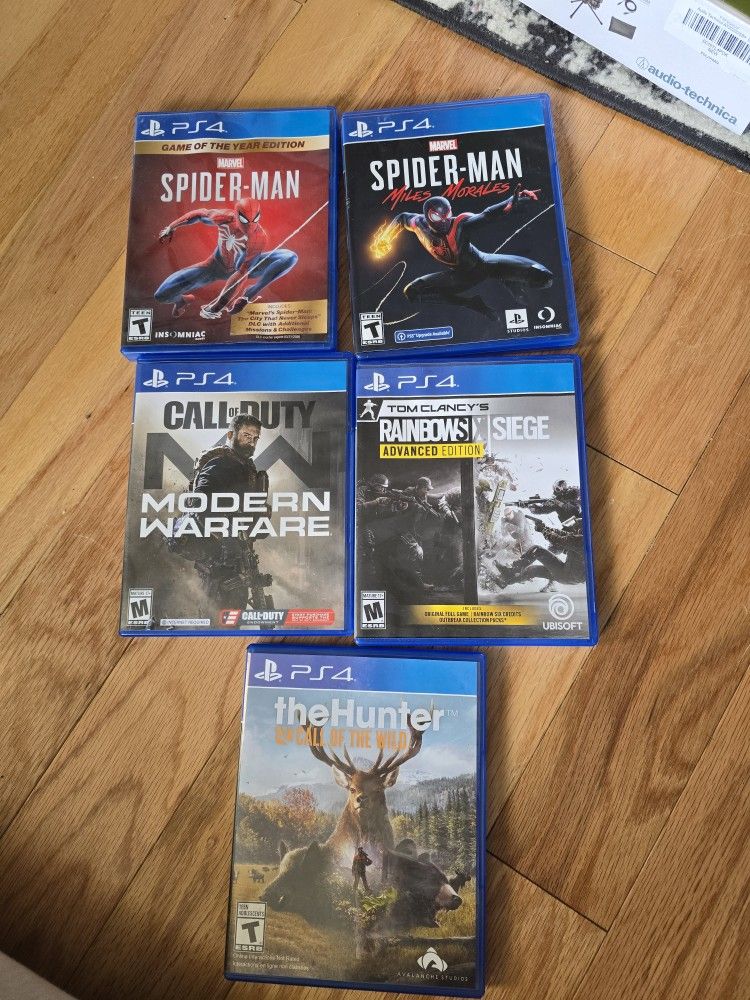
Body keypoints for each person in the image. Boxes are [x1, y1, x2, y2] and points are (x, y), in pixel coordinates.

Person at [370, 183, 552, 320]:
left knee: (543, 277)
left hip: (484, 264)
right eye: (436, 216)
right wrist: (386, 237)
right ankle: (471, 303)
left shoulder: (460, 224)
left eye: (446, 214)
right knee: (412, 292)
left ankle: (506, 278)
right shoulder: (418, 224)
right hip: (461, 276)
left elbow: (486, 214)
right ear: (427, 217)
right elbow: (401, 218)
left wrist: (511, 202)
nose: (443, 220)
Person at [155, 197, 297, 318]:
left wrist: (218, 306)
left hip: (246, 267)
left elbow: (242, 272)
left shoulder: (259, 237)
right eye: (244, 220)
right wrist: (172, 227)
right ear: (237, 215)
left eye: (255, 220)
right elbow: (199, 214)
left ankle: (250, 293)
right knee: (162, 294)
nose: (250, 226)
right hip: (214, 267)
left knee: (289, 257)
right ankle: (182, 300)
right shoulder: (225, 217)